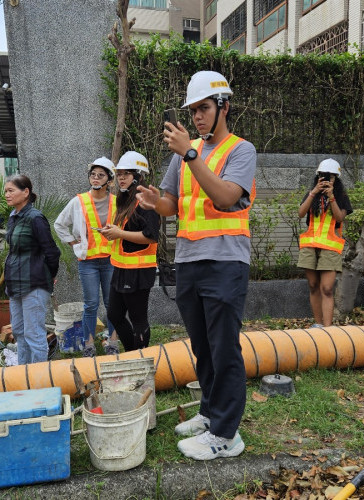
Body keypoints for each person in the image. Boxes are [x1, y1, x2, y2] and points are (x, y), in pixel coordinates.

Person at [137, 71, 256, 460]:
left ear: (224, 106)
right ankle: (209, 413)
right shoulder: (186, 153)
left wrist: (189, 154)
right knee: (203, 347)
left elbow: (225, 198)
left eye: (204, 108)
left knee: (224, 349)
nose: (198, 117)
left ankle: (226, 435)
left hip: (226, 262)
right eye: (194, 110)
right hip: (188, 261)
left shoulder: (241, 150)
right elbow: (173, 205)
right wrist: (157, 202)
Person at [54, 157, 120, 357]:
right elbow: (59, 224)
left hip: (111, 260)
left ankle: (113, 343)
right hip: (88, 262)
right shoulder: (78, 201)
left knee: (112, 304)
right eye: (93, 174)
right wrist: (73, 243)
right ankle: (89, 344)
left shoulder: (117, 202)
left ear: (109, 180)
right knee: (91, 304)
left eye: (101, 175)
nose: (96, 178)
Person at [100, 151, 160, 353]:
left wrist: (120, 233)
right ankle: (133, 353)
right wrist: (113, 232)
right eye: (119, 174)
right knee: (114, 315)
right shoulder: (124, 199)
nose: (121, 178)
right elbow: (125, 231)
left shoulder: (146, 201)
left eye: (126, 174)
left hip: (139, 270)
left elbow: (151, 236)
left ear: (138, 176)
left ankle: (139, 359)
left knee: (138, 319)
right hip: (121, 267)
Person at [4, 175, 61, 365]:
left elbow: (52, 251)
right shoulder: (14, 217)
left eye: (11, 190)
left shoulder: (35, 218)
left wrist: (49, 275)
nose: (7, 195)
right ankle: (24, 376)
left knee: (34, 333)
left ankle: (40, 381)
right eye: (6, 191)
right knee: (19, 331)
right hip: (15, 283)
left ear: (26, 192)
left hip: (34, 283)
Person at [297, 158, 352, 328]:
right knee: (313, 286)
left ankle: (328, 329)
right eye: (323, 176)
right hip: (310, 245)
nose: (327, 179)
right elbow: (300, 213)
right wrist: (314, 192)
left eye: (331, 177)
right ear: (318, 176)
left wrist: (332, 197)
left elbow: (340, 217)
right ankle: (318, 325)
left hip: (330, 247)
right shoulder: (312, 194)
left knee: (327, 288)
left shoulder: (341, 196)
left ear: (337, 179)